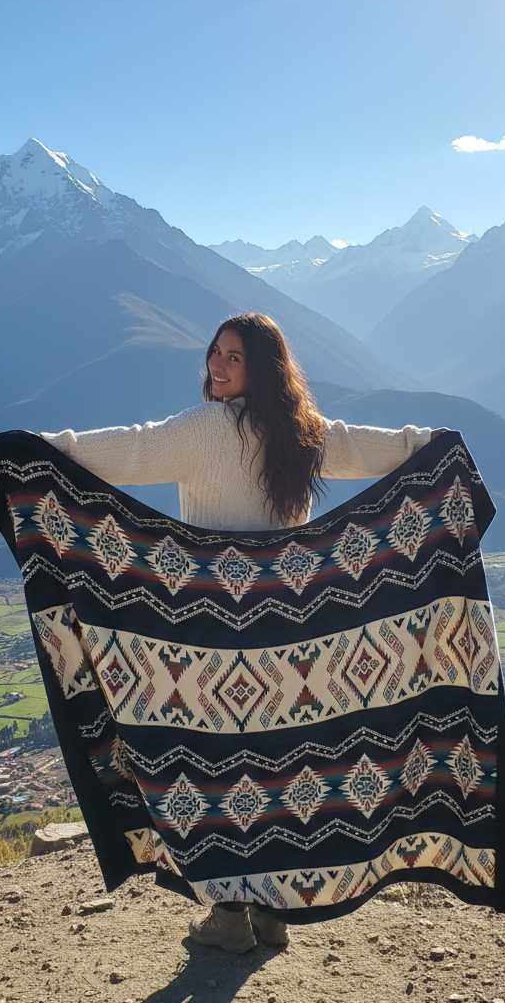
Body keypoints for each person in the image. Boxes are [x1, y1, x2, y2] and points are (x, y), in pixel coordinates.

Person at [42, 313, 443, 953]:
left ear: (262, 366)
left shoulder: (203, 430)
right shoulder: (302, 433)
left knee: (216, 771)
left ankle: (231, 920)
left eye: (234, 357)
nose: (217, 367)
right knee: (284, 764)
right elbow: (379, 448)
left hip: (210, 630)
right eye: (215, 354)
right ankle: (275, 914)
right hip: (290, 630)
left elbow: (129, 449)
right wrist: (431, 444)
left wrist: (41, 448)